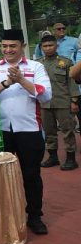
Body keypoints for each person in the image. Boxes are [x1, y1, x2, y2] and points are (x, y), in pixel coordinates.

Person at [0, 29, 51, 234]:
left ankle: (34, 216)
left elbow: (45, 95)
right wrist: (7, 82)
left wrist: (22, 80)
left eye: (13, 46)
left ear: (22, 46)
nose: (8, 50)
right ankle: (2, 216)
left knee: (31, 175)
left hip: (29, 130)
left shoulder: (36, 67)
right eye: (5, 46)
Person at [36, 35, 79, 170]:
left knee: (67, 130)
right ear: (41, 48)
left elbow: (71, 83)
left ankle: (71, 159)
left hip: (63, 102)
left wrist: (74, 101)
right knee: (49, 131)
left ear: (57, 46)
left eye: (51, 45)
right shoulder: (38, 64)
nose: (48, 48)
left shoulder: (65, 62)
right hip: (45, 103)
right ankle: (53, 157)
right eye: (45, 46)